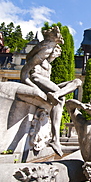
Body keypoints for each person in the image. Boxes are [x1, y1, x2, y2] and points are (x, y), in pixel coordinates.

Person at [20, 26, 82, 156]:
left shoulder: (49, 65)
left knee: (77, 82)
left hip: (48, 86)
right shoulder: (40, 59)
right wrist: (34, 87)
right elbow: (24, 73)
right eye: (55, 53)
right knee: (60, 101)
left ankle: (56, 94)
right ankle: (55, 139)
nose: (55, 56)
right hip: (37, 80)